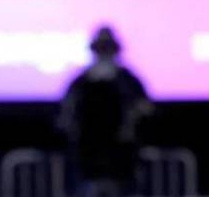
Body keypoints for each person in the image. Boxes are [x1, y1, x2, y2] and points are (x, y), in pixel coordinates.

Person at [58, 26, 153, 197]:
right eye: (100, 48)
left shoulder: (127, 80)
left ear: (115, 50)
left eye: (107, 48)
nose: (103, 53)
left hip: (121, 153)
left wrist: (133, 115)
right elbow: (65, 115)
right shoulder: (81, 81)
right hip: (88, 152)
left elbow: (146, 108)